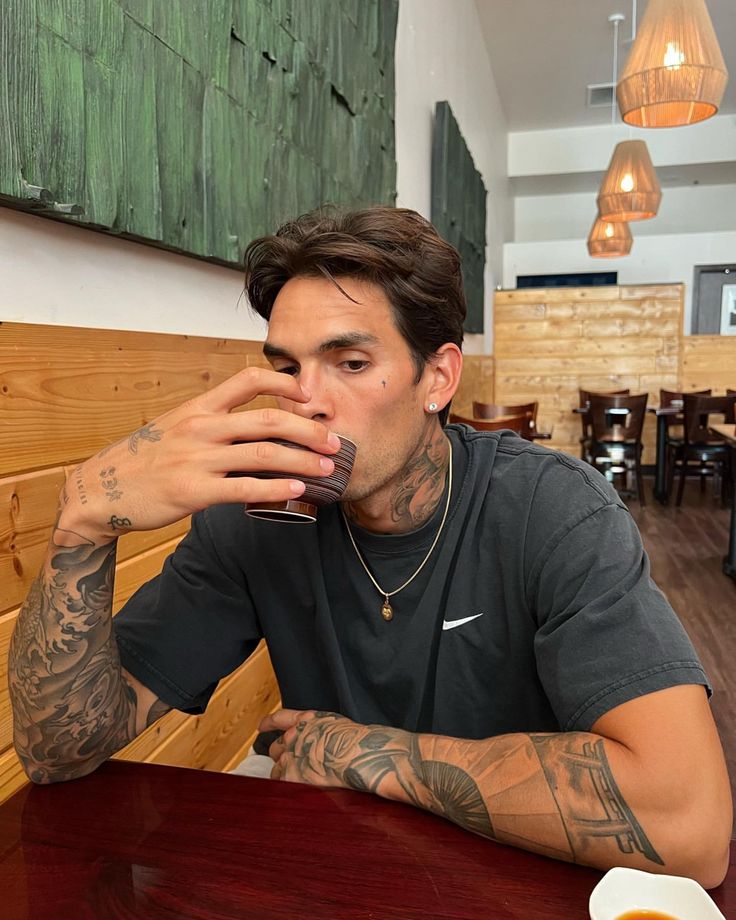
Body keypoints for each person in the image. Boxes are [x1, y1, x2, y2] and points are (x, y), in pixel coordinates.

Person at [9, 207, 732, 887]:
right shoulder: (255, 516)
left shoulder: (550, 508)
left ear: (438, 379)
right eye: (287, 368)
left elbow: (692, 824)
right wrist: (83, 523)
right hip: (340, 870)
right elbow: (58, 751)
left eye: (350, 362)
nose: (307, 400)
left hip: (517, 877)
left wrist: (368, 753)